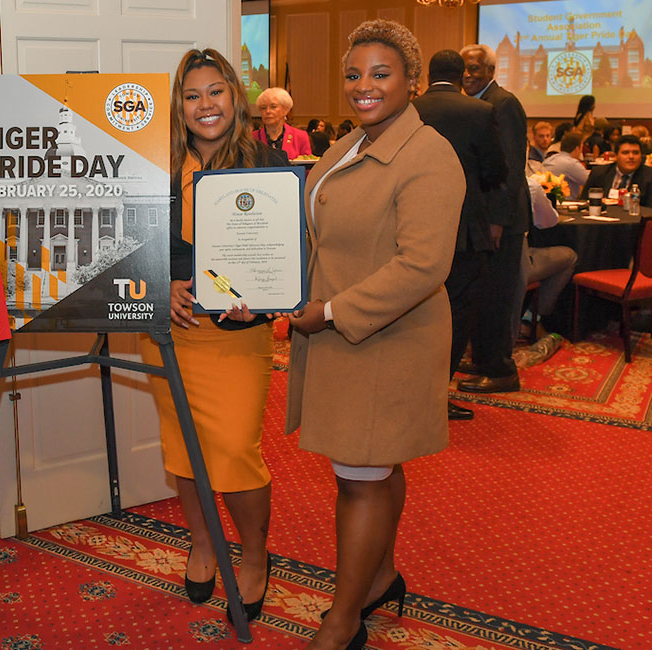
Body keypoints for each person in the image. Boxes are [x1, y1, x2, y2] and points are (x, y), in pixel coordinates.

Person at [286, 20, 464, 650]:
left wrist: (330, 311)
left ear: (412, 82)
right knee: (374, 465)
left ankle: (343, 619)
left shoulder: (428, 155)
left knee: (359, 476)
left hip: (385, 338)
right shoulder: (348, 146)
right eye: (353, 74)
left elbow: (423, 266)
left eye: (381, 73)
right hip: (343, 332)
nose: (363, 86)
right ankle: (383, 575)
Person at [140, 48, 286, 624]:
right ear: (179, 104)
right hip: (170, 330)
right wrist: (157, 285)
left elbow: (285, 252)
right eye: (192, 94)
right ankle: (204, 544)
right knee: (183, 451)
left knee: (233, 450)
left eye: (216, 91)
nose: (206, 105)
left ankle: (254, 555)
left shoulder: (263, 160)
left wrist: (265, 299)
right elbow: (129, 241)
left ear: (235, 96)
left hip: (235, 335)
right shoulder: (152, 162)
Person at [412, 49, 506, 421]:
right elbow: (496, 170)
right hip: (465, 229)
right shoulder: (480, 112)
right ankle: (437, 397)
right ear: (460, 74)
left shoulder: (410, 110)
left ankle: (409, 389)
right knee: (456, 313)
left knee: (414, 312)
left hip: (413, 224)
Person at [456, 43, 530, 395]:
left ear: (491, 72)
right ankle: (485, 359)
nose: (468, 75)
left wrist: (498, 221)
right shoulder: (475, 106)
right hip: (484, 219)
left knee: (498, 296)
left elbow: (511, 170)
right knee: (481, 294)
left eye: (475, 69)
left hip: (503, 221)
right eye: (464, 69)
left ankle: (502, 370)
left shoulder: (505, 103)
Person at [511, 179, 577, 341]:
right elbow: (547, 222)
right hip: (517, 263)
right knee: (569, 256)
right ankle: (532, 318)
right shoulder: (531, 186)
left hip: (479, 263)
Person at [580, 134, 652, 204]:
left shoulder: (649, 177)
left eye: (635, 153)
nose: (631, 156)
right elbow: (583, 202)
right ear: (616, 156)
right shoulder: (599, 173)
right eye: (625, 153)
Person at [253, 87, 312, 159]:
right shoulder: (251, 138)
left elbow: (308, 168)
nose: (268, 111)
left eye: (273, 107)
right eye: (263, 108)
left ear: (286, 110)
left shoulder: (300, 136)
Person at [542, 131, 589, 199]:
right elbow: (591, 182)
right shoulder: (572, 164)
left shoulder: (548, 160)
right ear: (577, 149)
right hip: (565, 204)